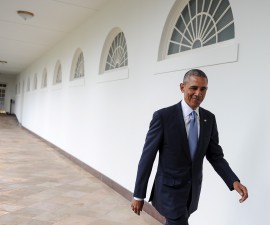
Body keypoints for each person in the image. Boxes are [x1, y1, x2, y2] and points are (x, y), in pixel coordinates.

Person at [131, 69, 248, 225]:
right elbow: (147, 157)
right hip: (169, 193)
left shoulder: (209, 119)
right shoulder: (163, 117)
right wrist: (138, 195)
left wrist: (233, 181)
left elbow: (215, 155)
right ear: (182, 87)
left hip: (192, 193)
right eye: (193, 88)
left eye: (203, 89)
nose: (198, 93)